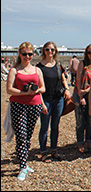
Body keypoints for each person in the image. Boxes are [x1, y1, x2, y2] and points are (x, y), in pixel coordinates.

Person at [6, 42, 46, 181]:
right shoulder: (14, 70)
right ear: (19, 54)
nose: (27, 56)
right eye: (24, 54)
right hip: (18, 105)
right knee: (21, 136)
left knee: (28, 136)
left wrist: (34, 91)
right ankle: (23, 166)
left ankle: (24, 162)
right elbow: (9, 90)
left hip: (34, 105)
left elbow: (43, 88)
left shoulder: (37, 70)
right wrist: (25, 92)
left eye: (30, 54)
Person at [36, 41, 71, 163]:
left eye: (52, 50)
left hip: (58, 100)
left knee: (55, 126)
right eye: (47, 50)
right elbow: (37, 88)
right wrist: (41, 103)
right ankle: (43, 152)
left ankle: (54, 150)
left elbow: (63, 79)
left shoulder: (58, 65)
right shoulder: (39, 67)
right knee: (44, 127)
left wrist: (67, 90)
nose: (50, 52)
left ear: (55, 52)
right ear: (43, 51)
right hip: (45, 100)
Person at [73, 44, 91, 153]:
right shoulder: (83, 64)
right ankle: (80, 143)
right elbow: (78, 80)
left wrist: (88, 91)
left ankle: (88, 141)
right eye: (88, 52)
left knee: (90, 120)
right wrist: (81, 96)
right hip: (81, 95)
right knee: (80, 121)